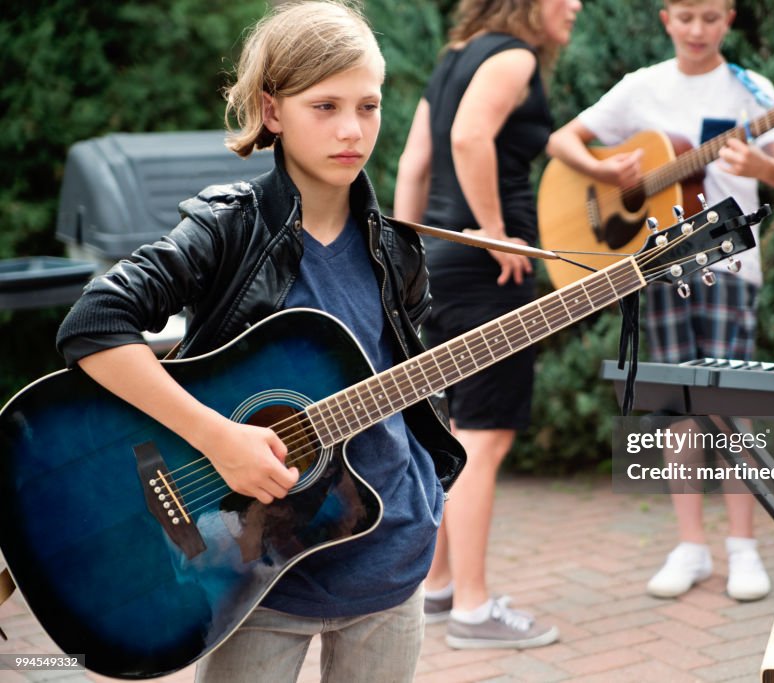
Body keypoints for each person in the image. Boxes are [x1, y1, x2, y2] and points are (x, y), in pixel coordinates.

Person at [55, 3, 466, 681]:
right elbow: (93, 324)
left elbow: (404, 376)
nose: (351, 129)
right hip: (256, 576)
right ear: (273, 111)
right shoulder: (228, 231)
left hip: (389, 557)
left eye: (368, 106)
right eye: (325, 106)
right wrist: (219, 437)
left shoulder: (397, 250)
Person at [546, 0, 774, 602]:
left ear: (731, 19)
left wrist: (761, 165)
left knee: (732, 403)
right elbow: (562, 141)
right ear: (667, 17)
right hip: (659, 267)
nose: (698, 30)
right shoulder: (641, 88)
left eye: (712, 17)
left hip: (730, 267)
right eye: (687, 16)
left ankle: (743, 548)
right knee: (674, 407)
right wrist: (604, 167)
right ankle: (691, 546)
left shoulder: (752, 91)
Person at [393, 0, 581, 650]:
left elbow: (416, 163)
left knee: (453, 430)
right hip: (491, 273)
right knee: (484, 438)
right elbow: (469, 139)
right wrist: (497, 233)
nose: (577, 5)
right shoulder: (514, 55)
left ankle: (440, 584)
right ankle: (474, 608)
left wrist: (405, 256)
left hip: (444, 268)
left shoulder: (452, 60)